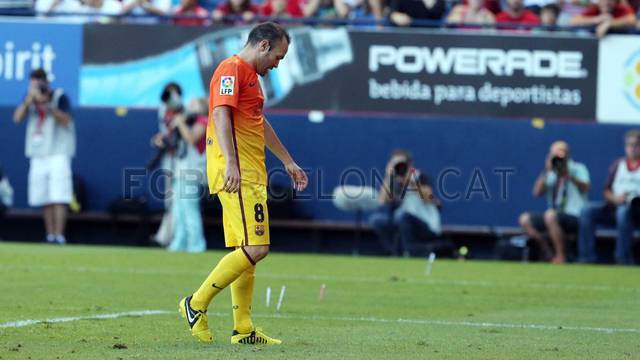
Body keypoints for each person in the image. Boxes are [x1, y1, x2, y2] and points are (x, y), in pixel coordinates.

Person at [178, 22, 308, 345]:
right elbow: (220, 115)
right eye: (278, 56)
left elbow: (258, 125)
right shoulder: (230, 69)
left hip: (251, 172)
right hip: (237, 173)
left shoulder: (251, 80)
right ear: (263, 46)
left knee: (247, 248)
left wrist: (287, 160)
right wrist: (233, 164)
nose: (278, 64)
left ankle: (243, 328)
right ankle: (195, 304)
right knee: (256, 247)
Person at [13, 69, 75, 245]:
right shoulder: (29, 99)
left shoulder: (59, 96)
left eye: (39, 83)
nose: (36, 87)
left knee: (59, 196)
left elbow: (67, 120)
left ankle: (59, 235)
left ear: (47, 82)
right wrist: (28, 101)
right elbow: (17, 118)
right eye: (33, 83)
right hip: (38, 153)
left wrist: (47, 105)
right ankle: (49, 235)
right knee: (44, 197)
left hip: (58, 152)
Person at [518, 141, 590, 264]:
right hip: (553, 216)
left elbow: (586, 188)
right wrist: (546, 171)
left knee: (550, 215)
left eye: (562, 152)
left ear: (568, 155)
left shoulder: (578, 168)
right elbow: (537, 192)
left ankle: (561, 256)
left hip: (574, 216)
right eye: (555, 153)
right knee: (524, 219)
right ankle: (547, 252)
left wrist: (569, 176)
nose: (559, 156)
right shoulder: (550, 173)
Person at [578, 130, 640, 265]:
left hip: (635, 212)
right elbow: (606, 191)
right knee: (587, 210)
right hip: (615, 207)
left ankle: (622, 259)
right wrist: (616, 198)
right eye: (630, 145)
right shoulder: (618, 165)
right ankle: (586, 258)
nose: (633, 149)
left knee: (623, 212)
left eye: (636, 145)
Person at [369, 149, 442, 257]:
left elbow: (428, 197)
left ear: (410, 165)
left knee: (402, 216)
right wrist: (388, 176)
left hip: (424, 222)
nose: (399, 167)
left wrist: (409, 181)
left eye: (402, 164)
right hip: (402, 221)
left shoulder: (420, 176)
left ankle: (411, 251)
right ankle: (393, 252)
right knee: (377, 219)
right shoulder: (393, 180)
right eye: (396, 164)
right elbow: (382, 201)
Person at [167, 98, 208, 253]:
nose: (189, 106)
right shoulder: (187, 122)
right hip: (180, 171)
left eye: (193, 104)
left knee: (190, 210)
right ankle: (179, 243)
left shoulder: (204, 121)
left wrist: (180, 123)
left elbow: (191, 139)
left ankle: (196, 245)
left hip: (192, 172)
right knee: (179, 211)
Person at [149, 82, 184, 247]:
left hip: (184, 161)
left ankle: (172, 237)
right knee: (169, 201)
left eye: (173, 95)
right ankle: (166, 237)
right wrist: (160, 139)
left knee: (181, 201)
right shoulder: (164, 111)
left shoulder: (184, 111)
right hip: (169, 161)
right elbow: (165, 133)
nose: (170, 99)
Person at [570, 0, 636, 37]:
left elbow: (632, 19)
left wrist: (609, 24)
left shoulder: (621, 8)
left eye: (610, 1)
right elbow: (573, 21)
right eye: (604, 0)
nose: (607, 3)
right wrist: (597, 20)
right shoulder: (595, 8)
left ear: (615, 2)